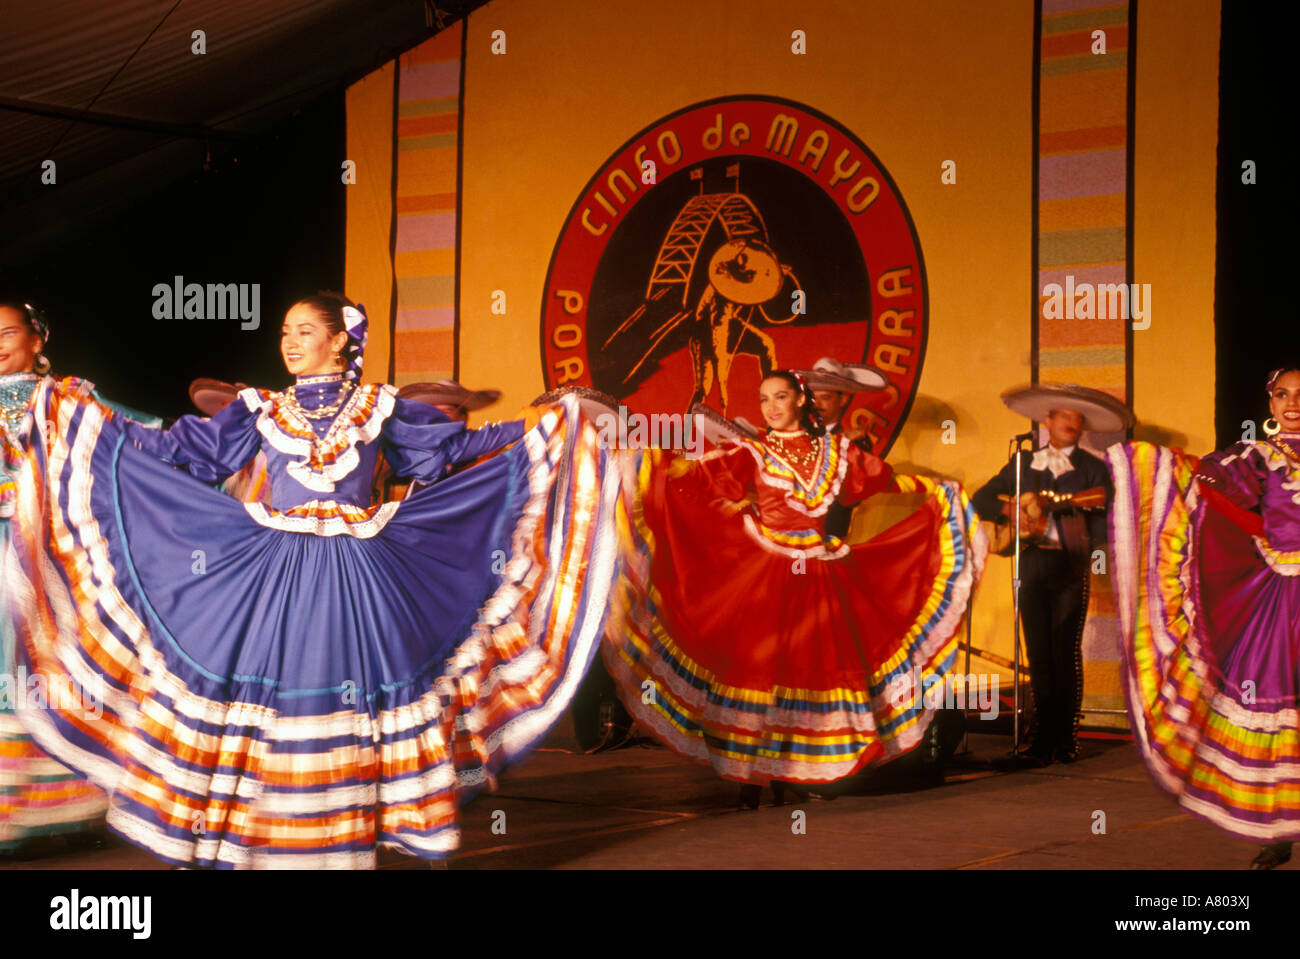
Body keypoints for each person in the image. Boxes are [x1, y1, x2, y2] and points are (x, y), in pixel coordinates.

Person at [7, 291, 621, 868]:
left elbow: (452, 450)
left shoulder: (380, 407)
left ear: (341, 341)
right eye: (284, 332)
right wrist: (87, 424)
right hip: (275, 567)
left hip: (361, 571)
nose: (290, 342)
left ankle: (342, 836)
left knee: (351, 691)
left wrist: (548, 429)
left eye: (305, 331)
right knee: (263, 695)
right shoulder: (263, 408)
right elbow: (182, 450)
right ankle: (270, 834)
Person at [603, 370, 986, 805]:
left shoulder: (837, 451)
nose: (770, 407)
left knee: (808, 674)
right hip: (767, 575)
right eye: (764, 398)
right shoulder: (753, 452)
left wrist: (934, 489)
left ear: (800, 401)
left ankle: (792, 777)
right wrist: (638, 462)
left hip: (821, 574)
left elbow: (881, 482)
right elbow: (695, 479)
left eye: (780, 397)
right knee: (762, 672)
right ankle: (750, 781)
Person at [1108, 367, 1300, 869]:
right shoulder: (1259, 456)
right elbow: (1212, 484)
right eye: (1281, 395)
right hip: (1281, 604)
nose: (1290, 404)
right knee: (1281, 711)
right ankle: (1278, 829)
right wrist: (1164, 469)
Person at [1, 301, 161, 857]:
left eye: (8, 333)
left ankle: (68, 808)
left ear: (37, 339)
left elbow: (131, 433)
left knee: (53, 660)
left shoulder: (66, 396)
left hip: (46, 553)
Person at [972, 384, 1128, 766]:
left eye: (1077, 419)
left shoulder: (1092, 467)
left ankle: (1065, 736)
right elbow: (981, 498)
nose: (1071, 423)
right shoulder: (1025, 463)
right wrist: (1015, 511)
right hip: (1032, 561)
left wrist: (1069, 518)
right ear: (1048, 421)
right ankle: (1041, 736)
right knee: (1038, 651)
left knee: (1064, 650)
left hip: (1070, 564)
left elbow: (1109, 519)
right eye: (1064, 416)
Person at [801, 356, 888, 539]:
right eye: (812, 398)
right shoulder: (795, 437)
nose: (816, 405)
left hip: (827, 538)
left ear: (843, 399)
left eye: (825, 398)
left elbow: (847, 493)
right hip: (788, 538)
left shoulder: (856, 443)